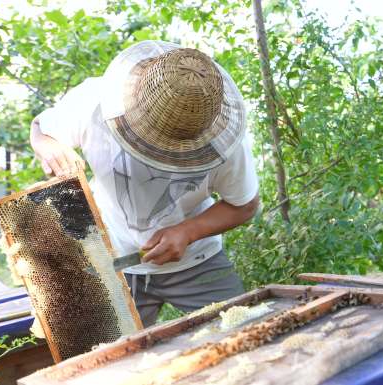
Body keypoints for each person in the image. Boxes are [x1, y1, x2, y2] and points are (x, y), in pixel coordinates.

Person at [29, 40, 259, 327]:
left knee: (242, 335)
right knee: (107, 360)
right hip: (114, 260)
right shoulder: (92, 100)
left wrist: (189, 231)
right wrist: (48, 146)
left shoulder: (226, 145)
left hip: (197, 263)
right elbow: (41, 129)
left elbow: (245, 205)